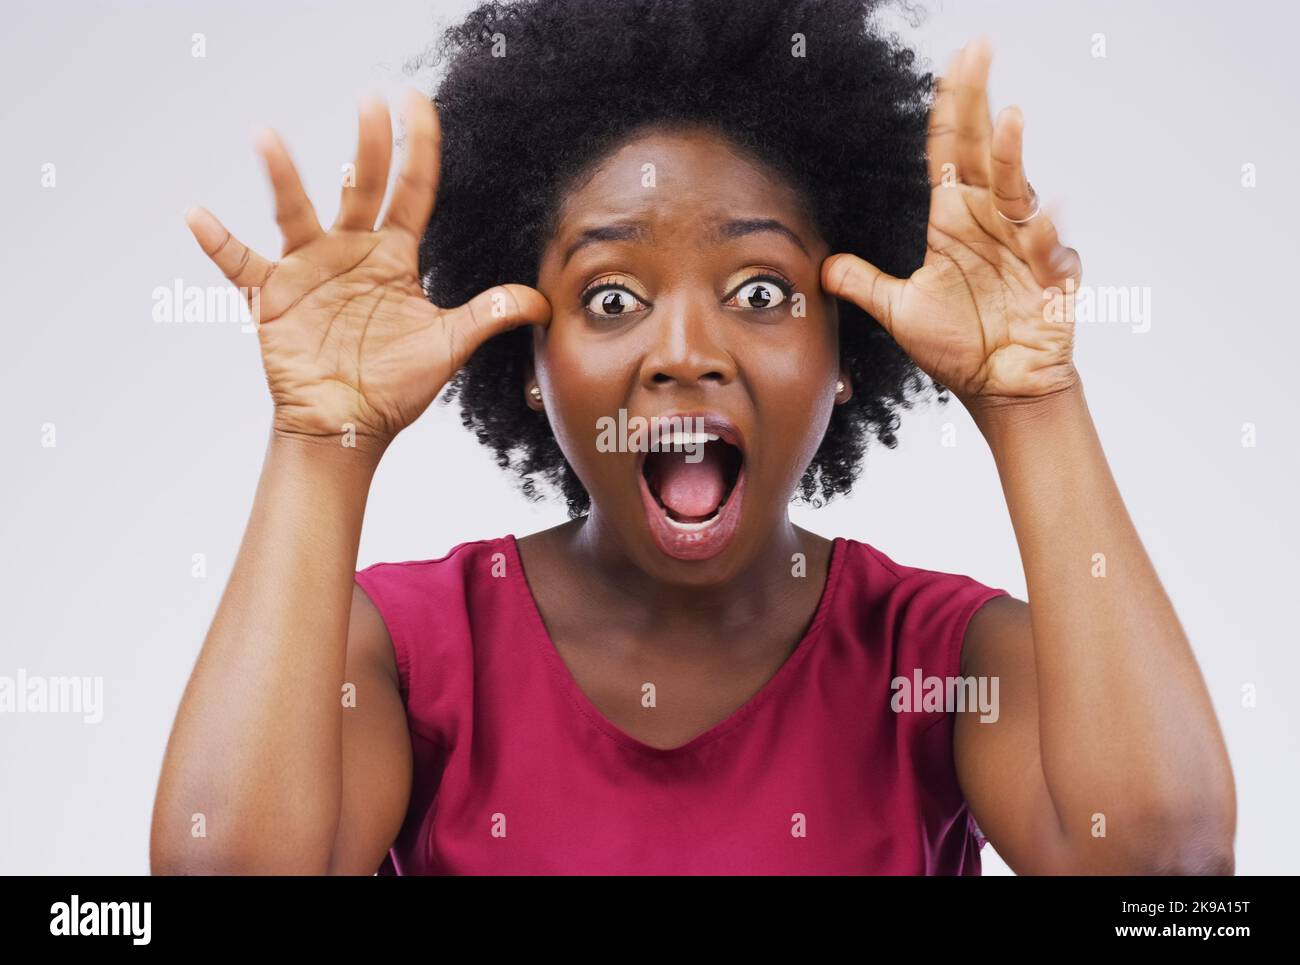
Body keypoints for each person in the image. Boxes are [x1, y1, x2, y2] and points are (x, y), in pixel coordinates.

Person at [151, 0, 1235, 875]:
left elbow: (1164, 868)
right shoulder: (403, 650)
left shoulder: (939, 660)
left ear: (846, 347)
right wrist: (320, 441)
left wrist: (1033, 402)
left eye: (761, 288)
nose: (685, 350)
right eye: (612, 297)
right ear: (529, 362)